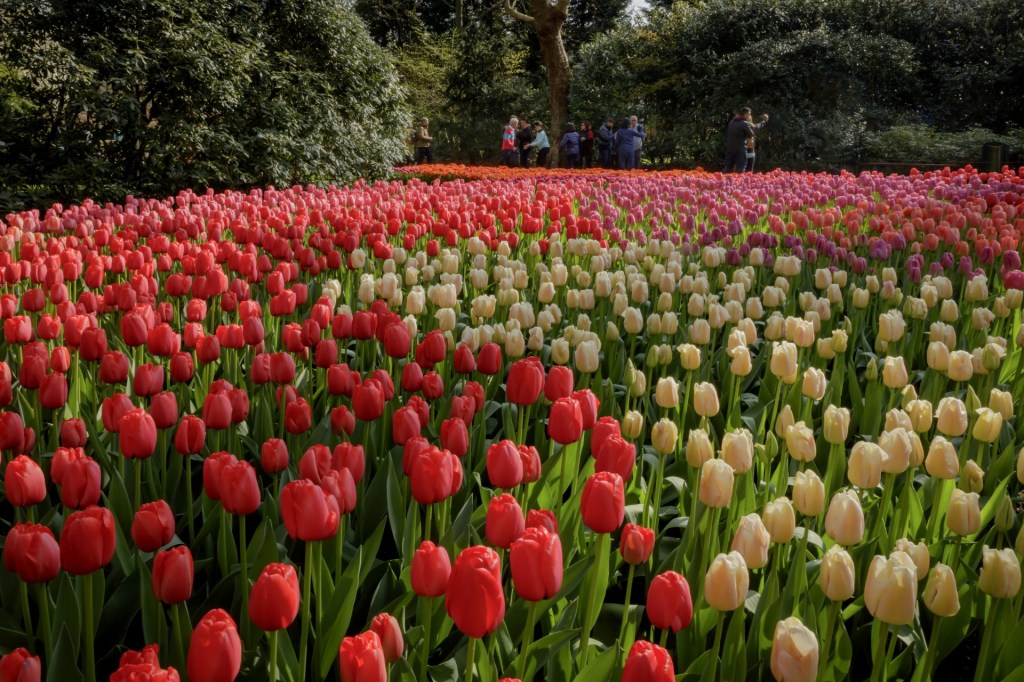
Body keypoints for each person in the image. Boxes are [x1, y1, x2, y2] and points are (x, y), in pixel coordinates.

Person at [724, 107, 768, 173]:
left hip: (730, 149)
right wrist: (764, 121)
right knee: (741, 168)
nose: (749, 116)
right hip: (740, 150)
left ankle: (724, 181)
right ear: (745, 114)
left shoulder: (731, 122)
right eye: (749, 114)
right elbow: (752, 133)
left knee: (728, 167)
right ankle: (740, 182)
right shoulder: (744, 123)